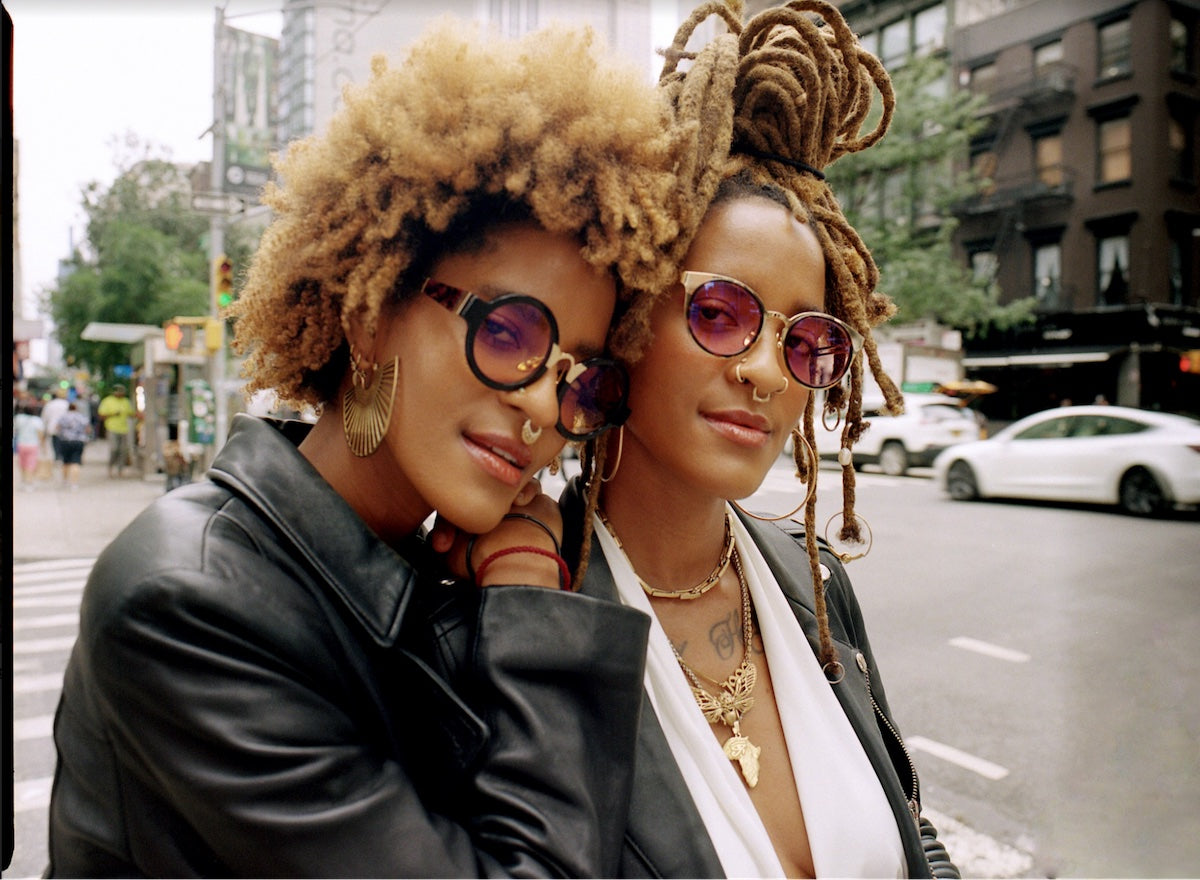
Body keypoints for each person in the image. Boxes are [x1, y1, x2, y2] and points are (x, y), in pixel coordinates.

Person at [47, 19, 680, 877]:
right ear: (371, 313)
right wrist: (534, 596)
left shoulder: (421, 570)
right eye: (508, 332)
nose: (542, 407)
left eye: (581, 382)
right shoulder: (188, 602)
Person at [552, 2, 956, 876]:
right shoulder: (512, 604)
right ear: (628, 313)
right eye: (721, 312)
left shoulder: (817, 589)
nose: (771, 373)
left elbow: (908, 827)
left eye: (808, 341)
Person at [96, 384, 136, 477]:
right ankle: (110, 467)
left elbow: (131, 413)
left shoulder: (126, 401)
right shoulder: (107, 401)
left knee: (123, 450)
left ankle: (120, 470)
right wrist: (112, 414)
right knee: (114, 449)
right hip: (112, 428)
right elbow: (101, 416)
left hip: (124, 429)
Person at [55, 402, 91, 491]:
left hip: (65, 441)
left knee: (65, 462)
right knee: (76, 462)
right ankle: (74, 483)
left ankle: (65, 480)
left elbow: (57, 428)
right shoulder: (82, 417)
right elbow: (88, 429)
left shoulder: (63, 417)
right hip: (78, 441)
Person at [13, 400, 45, 490]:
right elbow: (40, 434)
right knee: (30, 464)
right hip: (33, 445)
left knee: (22, 463)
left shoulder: (18, 418)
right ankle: (29, 483)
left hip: (21, 444)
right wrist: (43, 446)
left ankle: (23, 481)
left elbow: (15, 430)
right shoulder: (37, 420)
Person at [41, 387, 71, 482]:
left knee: (55, 443)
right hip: (65, 430)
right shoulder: (67, 404)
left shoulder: (50, 404)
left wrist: (44, 428)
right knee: (62, 443)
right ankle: (61, 457)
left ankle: (57, 457)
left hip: (52, 427)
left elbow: (44, 417)